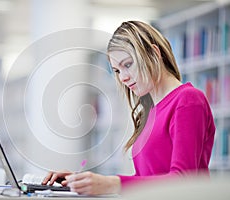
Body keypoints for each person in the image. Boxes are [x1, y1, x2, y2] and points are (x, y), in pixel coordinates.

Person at [42, 21, 216, 196]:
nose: (123, 78)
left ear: (154, 53)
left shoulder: (188, 100)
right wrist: (85, 182)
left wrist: (112, 183)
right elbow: (147, 179)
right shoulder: (151, 112)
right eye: (117, 71)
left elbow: (184, 180)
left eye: (127, 64)